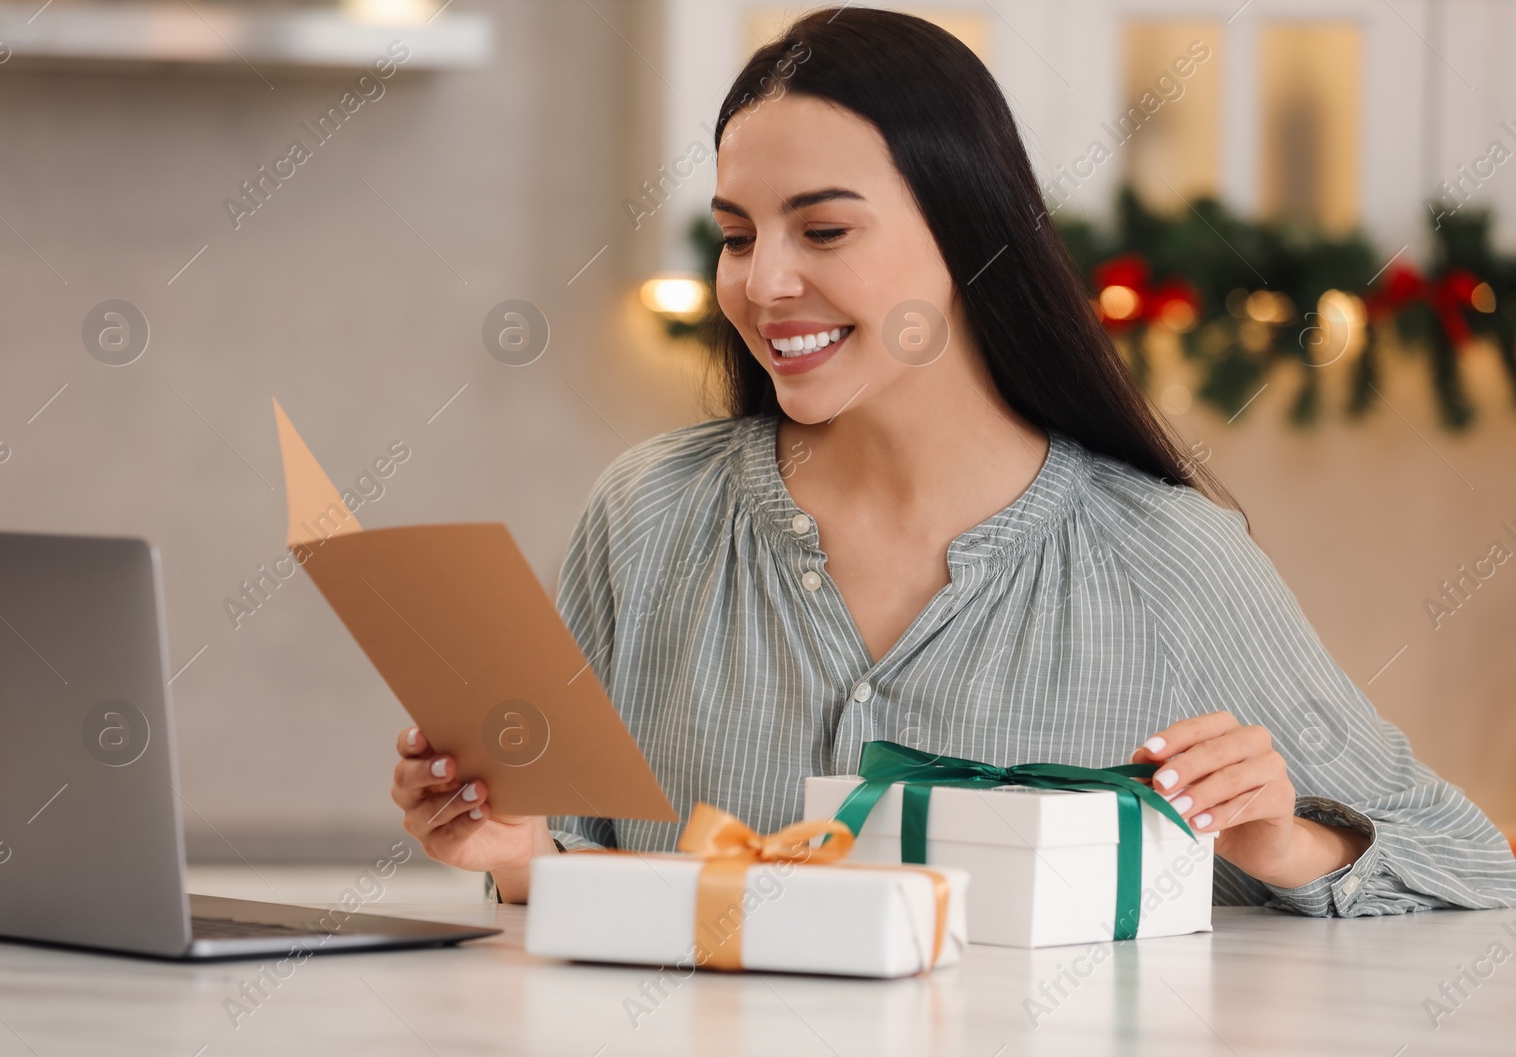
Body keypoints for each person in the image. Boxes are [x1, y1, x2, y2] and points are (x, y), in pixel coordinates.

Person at [390, 6, 1516, 912]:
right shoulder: (646, 519)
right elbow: (576, 867)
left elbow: (1472, 867)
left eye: (822, 231)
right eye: (736, 234)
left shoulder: (1166, 561)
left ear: (969, 233)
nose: (763, 281)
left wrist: (1285, 838)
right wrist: (516, 848)